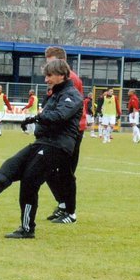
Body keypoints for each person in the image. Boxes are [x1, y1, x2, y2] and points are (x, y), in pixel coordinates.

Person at [0, 59, 83, 239]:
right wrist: (35, 120)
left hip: (57, 147)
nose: (46, 79)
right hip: (43, 142)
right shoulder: (55, 94)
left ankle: (27, 229)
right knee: (11, 165)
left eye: (49, 75)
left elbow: (59, 115)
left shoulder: (71, 95)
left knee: (29, 182)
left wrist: (37, 119)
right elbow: (48, 116)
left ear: (61, 75)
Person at [43, 46, 86, 224]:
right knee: (50, 170)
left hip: (71, 131)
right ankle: (63, 205)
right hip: (59, 130)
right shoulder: (60, 80)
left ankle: (69, 211)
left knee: (64, 171)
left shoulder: (71, 79)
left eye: (51, 63)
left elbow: (67, 108)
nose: (48, 72)